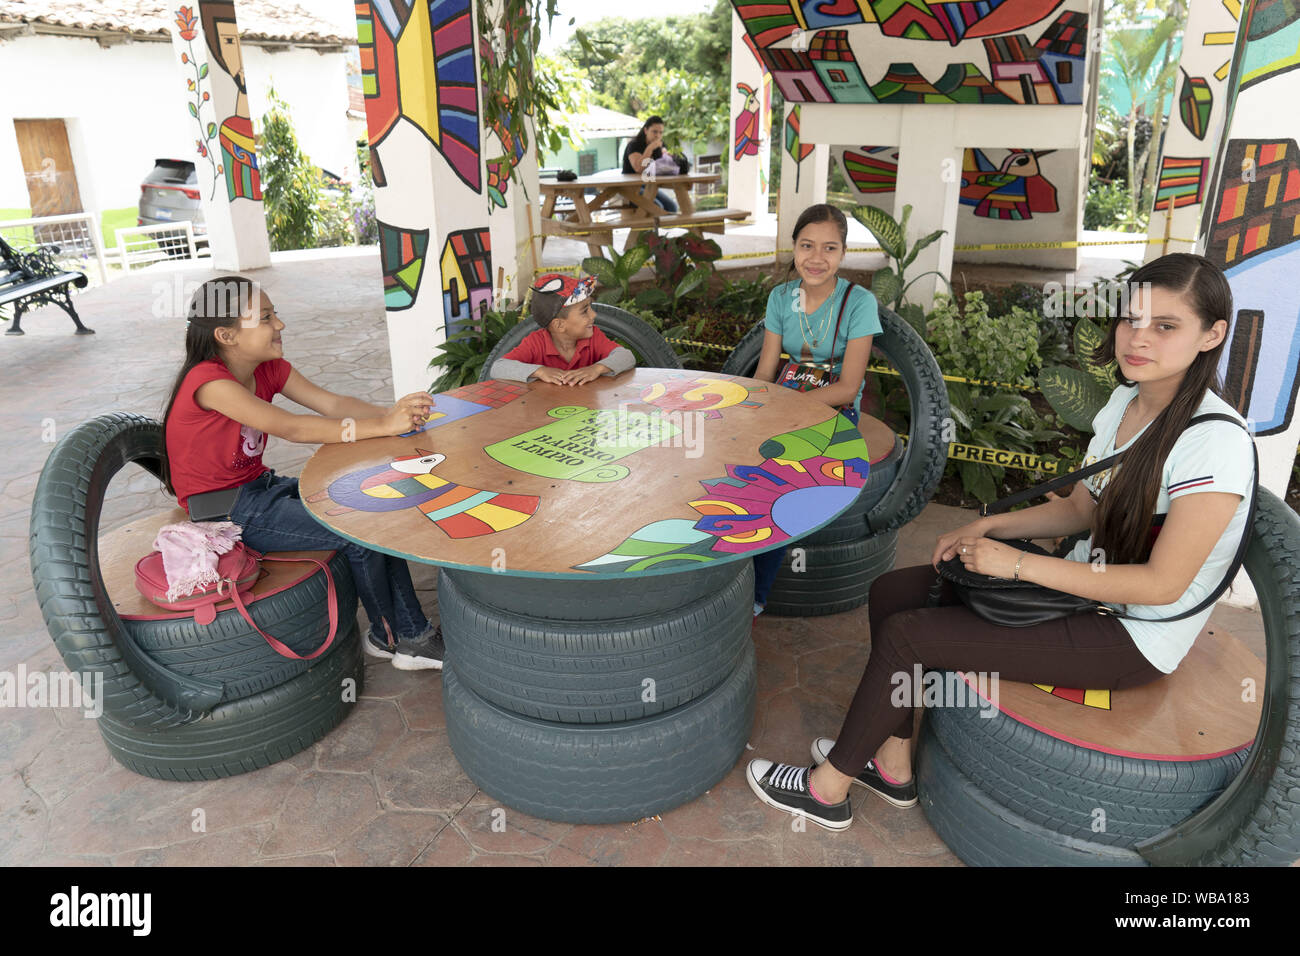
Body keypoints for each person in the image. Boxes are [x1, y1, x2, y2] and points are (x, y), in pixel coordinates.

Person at [745, 252, 1253, 831]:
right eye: (1131, 320)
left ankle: (825, 790)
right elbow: (1080, 509)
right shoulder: (1125, 403)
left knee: (911, 636)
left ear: (1212, 335)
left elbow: (1163, 586)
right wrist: (987, 527)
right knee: (893, 592)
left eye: (1166, 326)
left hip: (1131, 634)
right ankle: (892, 764)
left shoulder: (1216, 445)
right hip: (1083, 593)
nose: (1138, 339)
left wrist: (1017, 566)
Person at [162, 275, 446, 670]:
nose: (279, 325)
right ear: (227, 336)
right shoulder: (208, 383)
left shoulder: (269, 367)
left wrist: (392, 415)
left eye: (274, 314)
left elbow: (330, 403)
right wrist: (383, 427)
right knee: (359, 533)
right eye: (264, 318)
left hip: (258, 489)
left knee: (373, 510)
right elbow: (292, 428)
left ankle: (409, 632)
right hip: (224, 514)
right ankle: (396, 638)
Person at [749, 203, 882, 617]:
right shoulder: (780, 298)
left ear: (843, 254)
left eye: (829, 248)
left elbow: (848, 386)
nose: (816, 258)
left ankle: (756, 594)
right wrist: (749, 409)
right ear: (794, 248)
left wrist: (788, 408)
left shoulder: (859, 303)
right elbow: (767, 369)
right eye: (806, 246)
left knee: (784, 478)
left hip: (832, 411)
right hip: (784, 400)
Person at [489, 273, 636, 384]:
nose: (593, 315)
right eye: (585, 310)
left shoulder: (593, 338)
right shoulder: (535, 343)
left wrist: (596, 369)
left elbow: (627, 357)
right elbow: (498, 368)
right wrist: (539, 371)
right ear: (559, 325)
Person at [622, 115, 680, 213]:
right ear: (645, 131)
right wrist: (650, 148)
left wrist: (670, 158)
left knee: (672, 208)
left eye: (660, 132)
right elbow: (639, 168)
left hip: (649, 185)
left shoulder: (660, 146)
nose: (657, 135)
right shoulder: (634, 145)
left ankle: (654, 228)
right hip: (630, 187)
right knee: (658, 207)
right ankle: (646, 228)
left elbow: (664, 167)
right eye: (654, 132)